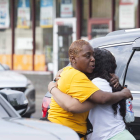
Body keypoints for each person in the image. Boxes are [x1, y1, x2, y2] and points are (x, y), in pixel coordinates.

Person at [48, 40, 132, 140]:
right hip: (66, 133)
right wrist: (123, 93)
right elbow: (99, 99)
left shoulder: (86, 79)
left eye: (93, 57)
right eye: (88, 56)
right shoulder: (80, 77)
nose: (92, 59)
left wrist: (52, 87)